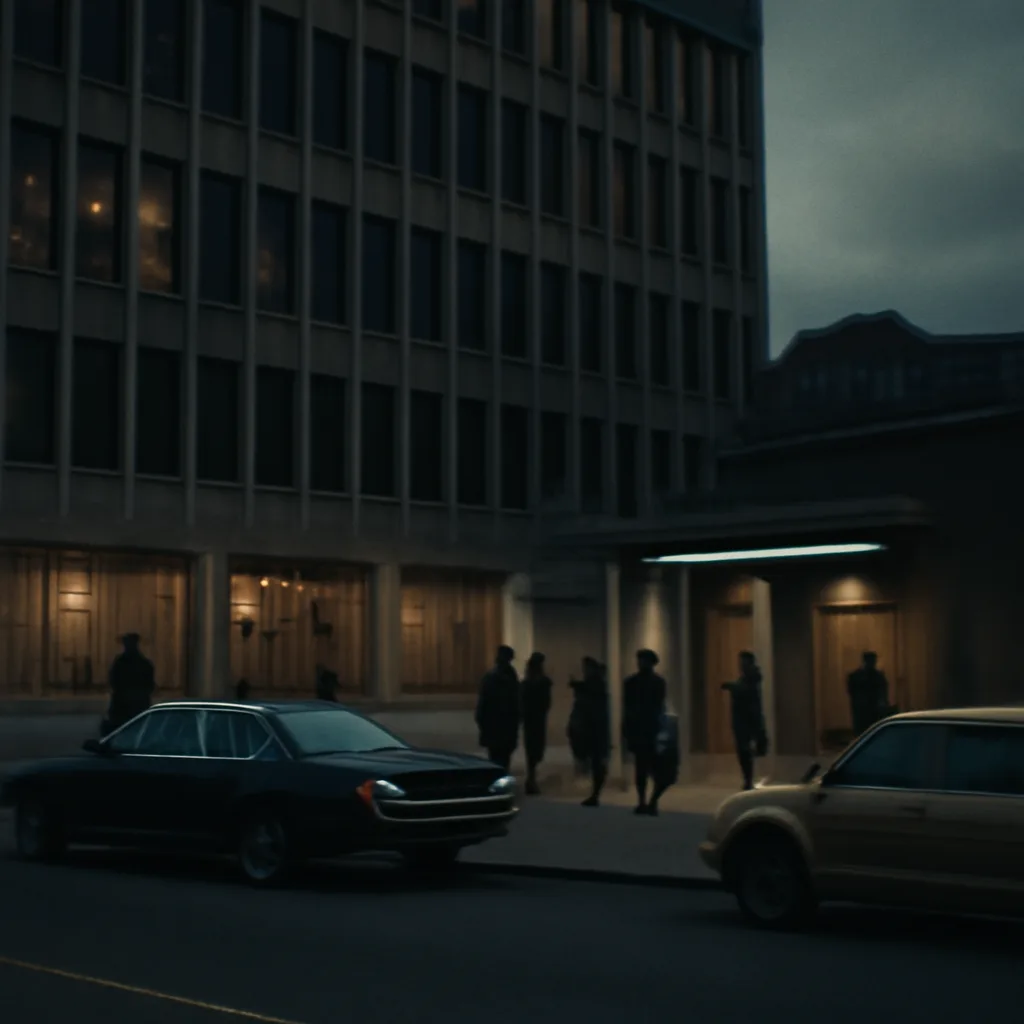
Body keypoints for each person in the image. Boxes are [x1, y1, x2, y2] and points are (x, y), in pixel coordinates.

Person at [622, 649, 667, 815]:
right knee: (641, 768)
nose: (640, 663)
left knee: (657, 770)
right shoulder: (631, 682)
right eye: (639, 660)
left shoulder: (657, 682)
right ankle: (643, 801)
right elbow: (627, 707)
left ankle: (652, 801)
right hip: (639, 730)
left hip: (652, 729)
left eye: (643, 660)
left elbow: (659, 706)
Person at [567, 657, 611, 807]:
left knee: (597, 762)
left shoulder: (595, 685)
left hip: (593, 729)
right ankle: (595, 793)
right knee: (596, 761)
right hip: (591, 729)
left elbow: (589, 698)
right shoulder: (593, 685)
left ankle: (595, 793)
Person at [722, 650, 766, 791]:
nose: (740, 665)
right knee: (744, 752)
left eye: (743, 662)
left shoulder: (752, 677)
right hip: (743, 720)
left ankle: (749, 780)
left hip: (747, 720)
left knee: (745, 751)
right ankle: (748, 779)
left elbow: (745, 692)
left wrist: (731, 687)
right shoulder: (746, 678)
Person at [475, 645, 520, 771]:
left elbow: (483, 704)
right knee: (502, 759)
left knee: (496, 759)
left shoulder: (491, 677)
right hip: (504, 726)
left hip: (496, 726)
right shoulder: (510, 677)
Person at [104, 633, 156, 735]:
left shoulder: (121, 663)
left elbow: (113, 681)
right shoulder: (144, 663)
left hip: (125, 705)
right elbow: (150, 685)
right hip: (134, 704)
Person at [520, 652, 553, 795]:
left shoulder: (529, 683)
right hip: (535, 720)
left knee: (533, 751)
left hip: (532, 720)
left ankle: (531, 779)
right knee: (535, 750)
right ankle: (531, 780)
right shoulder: (541, 682)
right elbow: (546, 703)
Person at [848, 651, 890, 735]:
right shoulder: (877, 676)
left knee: (864, 731)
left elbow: (851, 691)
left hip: (865, 709)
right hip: (866, 709)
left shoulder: (856, 676)